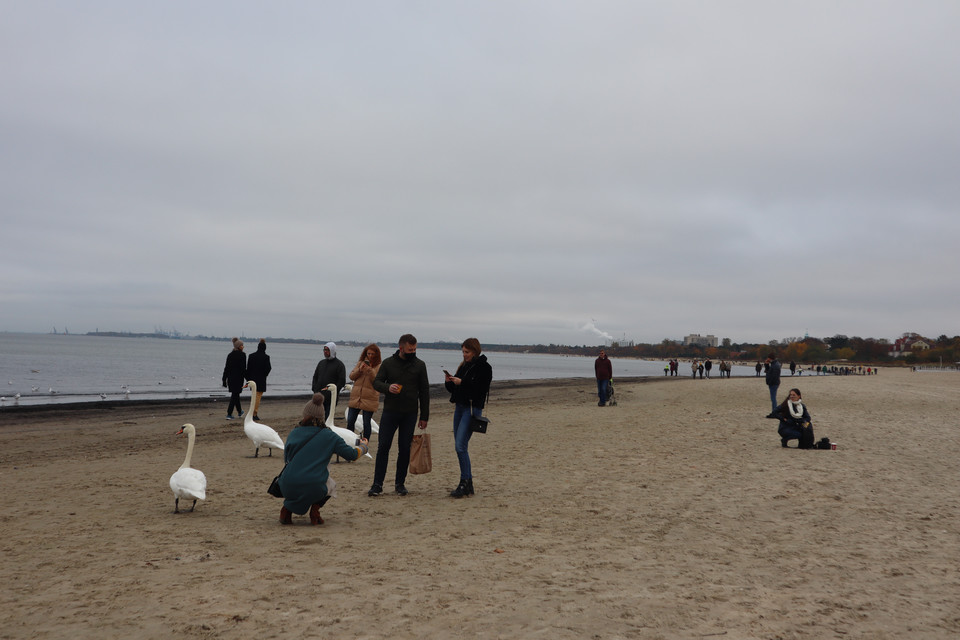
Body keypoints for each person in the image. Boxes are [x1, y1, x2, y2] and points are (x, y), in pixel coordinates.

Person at [278, 394, 369, 525]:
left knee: (300, 478)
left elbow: (286, 458)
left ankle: (287, 509)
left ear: (305, 415)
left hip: (287, 485)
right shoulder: (330, 436)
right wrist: (364, 447)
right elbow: (352, 455)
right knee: (330, 485)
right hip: (314, 486)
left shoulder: (294, 433)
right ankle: (315, 510)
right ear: (322, 416)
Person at [368, 334, 430, 497]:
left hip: (410, 413)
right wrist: (388, 388)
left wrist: (425, 416)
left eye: (415, 349)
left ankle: (400, 484)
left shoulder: (420, 365)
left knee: (404, 449)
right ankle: (377, 484)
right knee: (383, 447)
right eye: (410, 349)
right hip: (390, 412)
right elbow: (376, 382)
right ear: (401, 348)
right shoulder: (389, 363)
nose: (413, 352)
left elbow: (424, 391)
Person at [444, 338, 493, 499]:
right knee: (459, 446)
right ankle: (468, 482)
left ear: (475, 351)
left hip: (472, 409)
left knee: (460, 446)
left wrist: (462, 382)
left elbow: (479, 390)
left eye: (467, 352)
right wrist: (450, 382)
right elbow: (456, 390)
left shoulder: (484, 368)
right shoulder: (464, 366)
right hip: (460, 407)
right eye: (463, 352)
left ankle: (465, 482)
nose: (464, 355)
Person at [347, 343, 382, 440]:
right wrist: (360, 369)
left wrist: (370, 370)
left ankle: (366, 442)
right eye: (368, 354)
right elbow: (351, 376)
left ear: (376, 355)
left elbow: (376, 381)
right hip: (356, 396)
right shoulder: (360, 363)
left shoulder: (379, 367)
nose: (370, 356)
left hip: (370, 398)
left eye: (372, 354)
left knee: (366, 422)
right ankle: (350, 439)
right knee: (350, 420)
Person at [311, 342, 346, 422]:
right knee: (316, 419)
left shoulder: (339, 365)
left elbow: (341, 382)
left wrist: (331, 393)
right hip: (318, 397)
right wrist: (314, 389)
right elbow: (315, 377)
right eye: (324, 350)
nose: (325, 352)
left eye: (327, 350)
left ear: (332, 350)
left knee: (327, 420)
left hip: (331, 399)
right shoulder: (321, 363)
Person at [245, 338, 272, 421]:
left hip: (252, 379)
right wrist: (264, 375)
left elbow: (248, 368)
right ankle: (254, 413)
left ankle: (252, 413)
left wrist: (248, 378)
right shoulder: (266, 357)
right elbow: (268, 368)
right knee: (257, 397)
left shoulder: (251, 356)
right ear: (265, 348)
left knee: (254, 396)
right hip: (261, 379)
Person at [222, 338, 246, 420]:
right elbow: (243, 369)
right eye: (242, 345)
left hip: (230, 379)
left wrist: (224, 379)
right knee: (234, 395)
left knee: (235, 395)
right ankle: (229, 413)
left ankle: (240, 411)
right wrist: (248, 379)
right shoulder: (243, 355)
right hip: (238, 379)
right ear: (238, 346)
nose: (243, 346)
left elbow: (226, 368)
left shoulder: (230, 355)